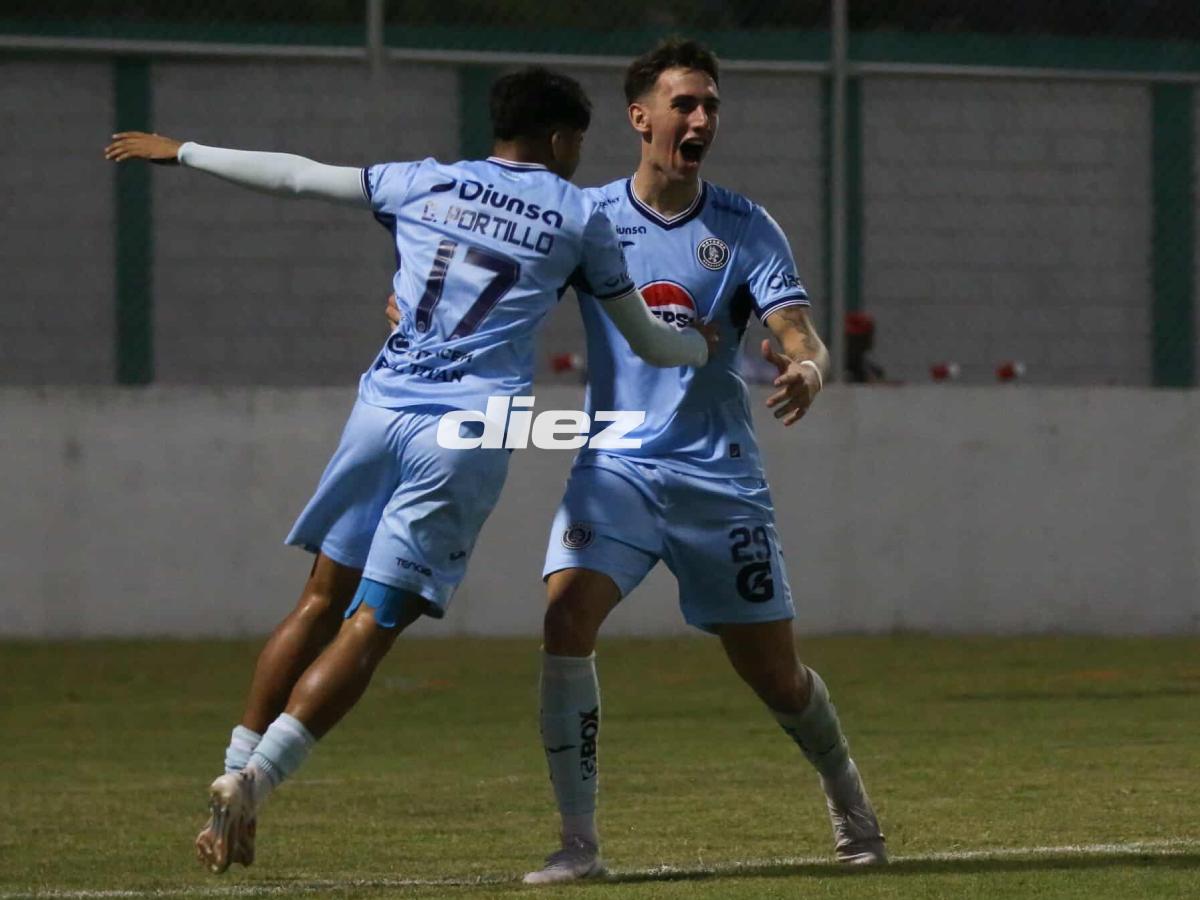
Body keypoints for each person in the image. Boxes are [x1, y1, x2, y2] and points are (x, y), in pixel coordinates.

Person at [104, 66, 715, 876]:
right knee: (374, 622)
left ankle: (230, 776)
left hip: (380, 412)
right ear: (565, 139)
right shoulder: (578, 214)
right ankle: (256, 779)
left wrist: (182, 151)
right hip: (461, 433)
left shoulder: (421, 182)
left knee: (319, 598)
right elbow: (645, 337)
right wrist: (702, 345)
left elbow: (293, 174)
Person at [521, 38, 887, 882]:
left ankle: (848, 797)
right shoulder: (588, 217)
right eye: (684, 104)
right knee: (564, 618)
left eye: (711, 105)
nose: (700, 120)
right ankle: (578, 843)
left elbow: (795, 327)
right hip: (614, 471)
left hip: (718, 479)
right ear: (639, 117)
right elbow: (507, 287)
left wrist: (809, 365)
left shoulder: (744, 226)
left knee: (777, 678)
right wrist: (424, 310)